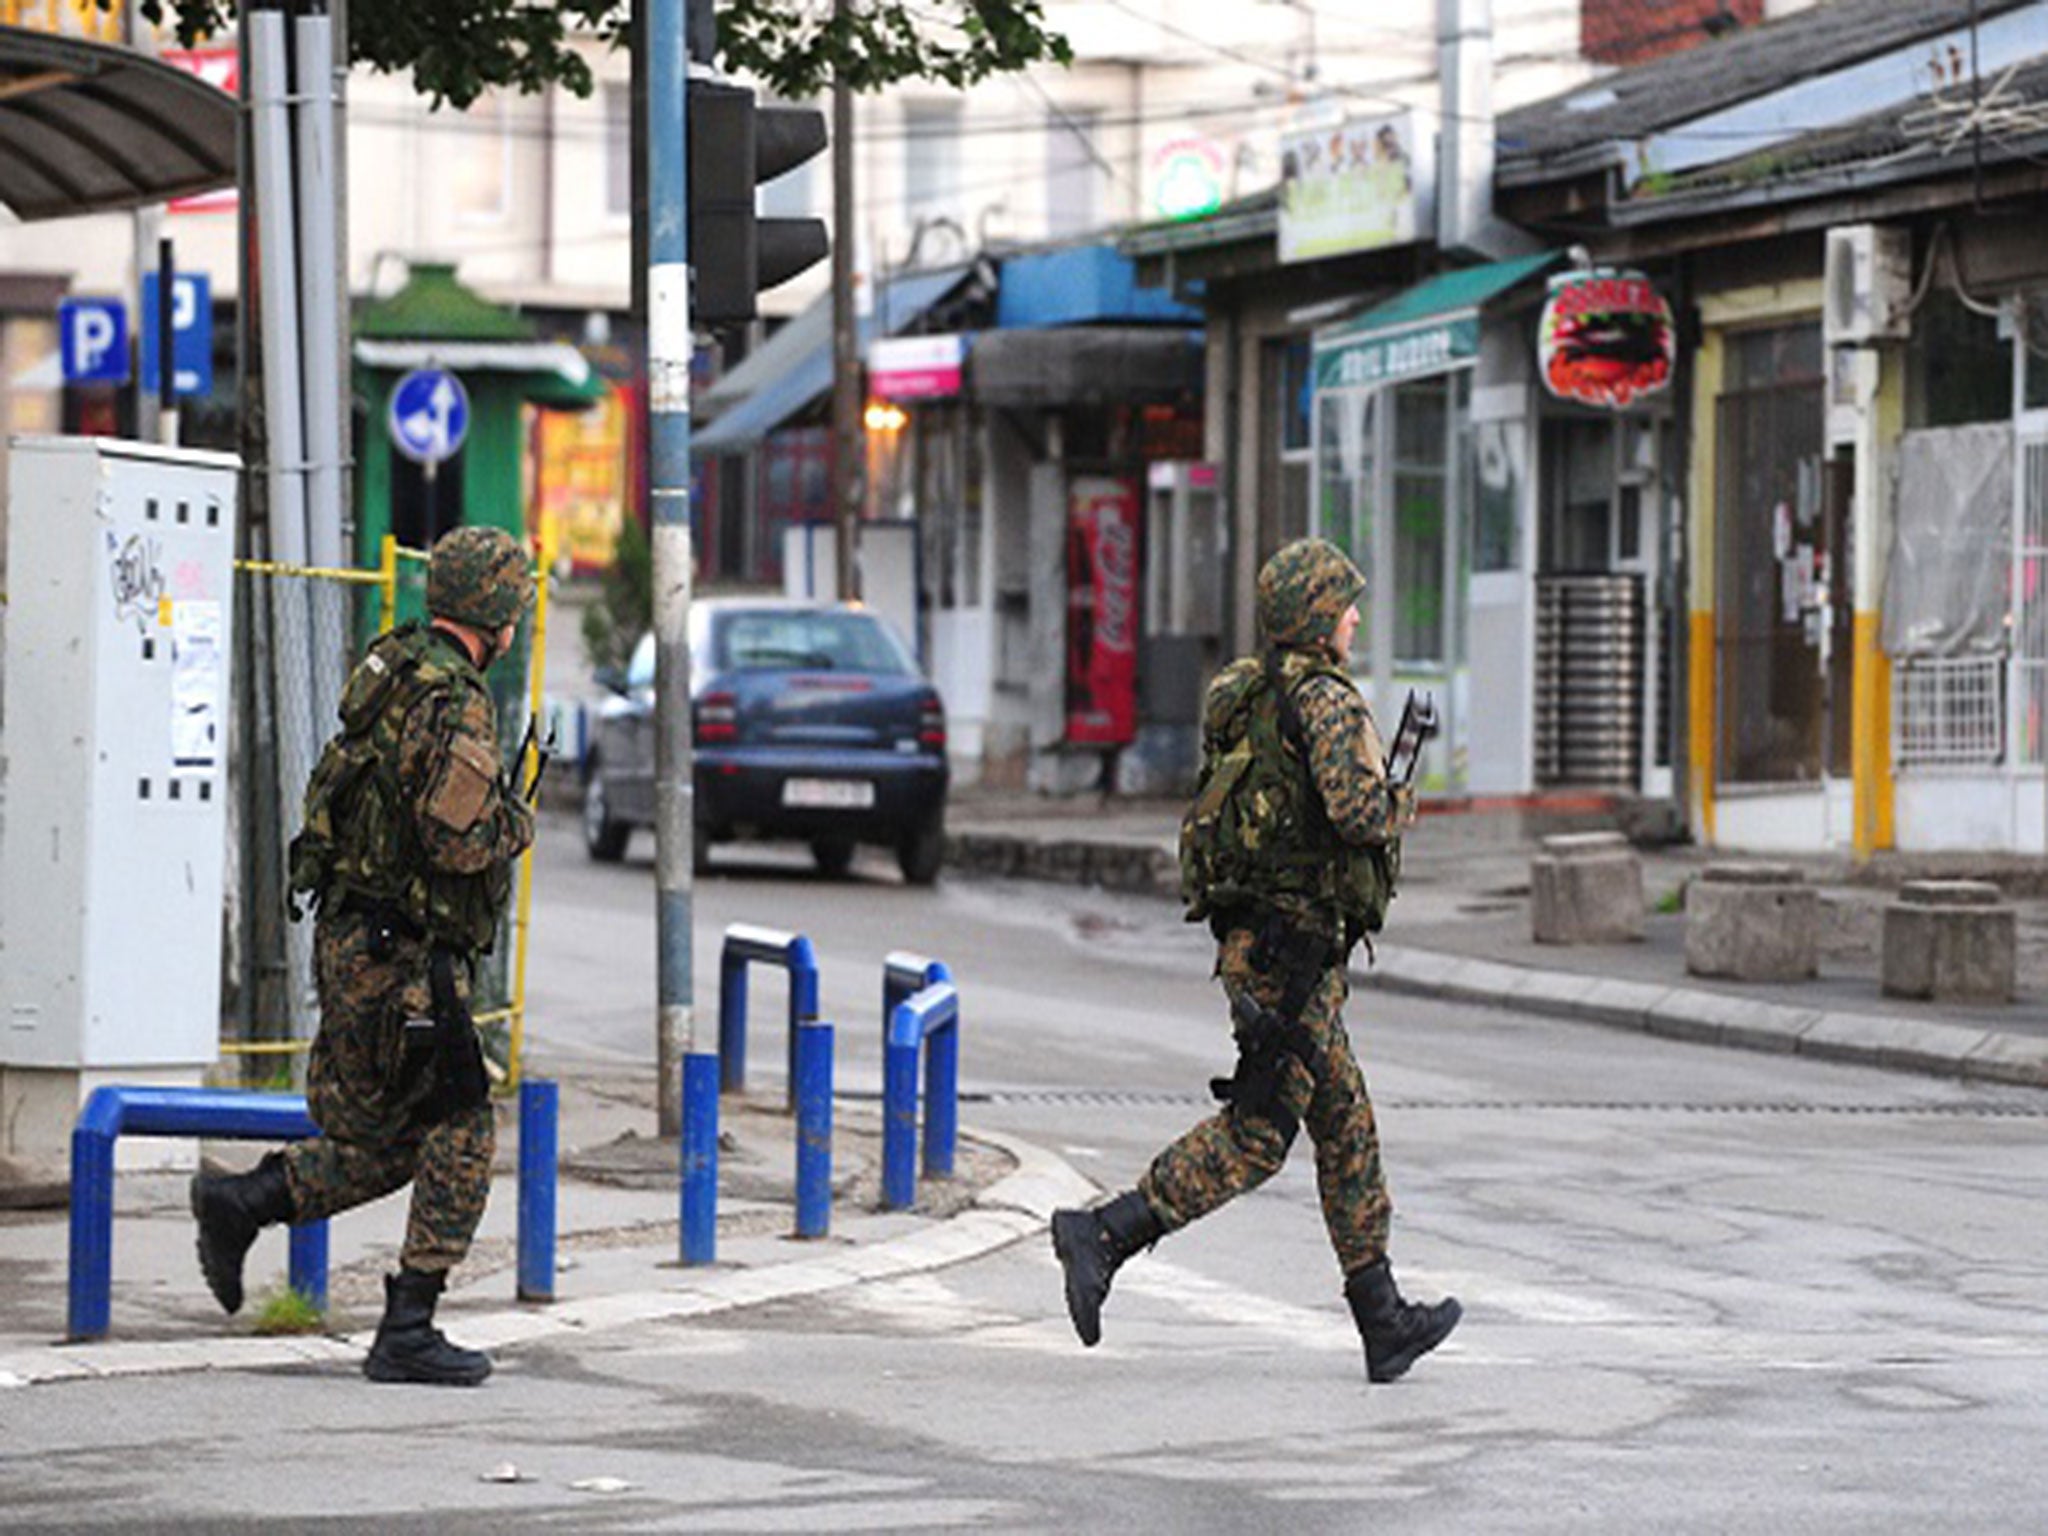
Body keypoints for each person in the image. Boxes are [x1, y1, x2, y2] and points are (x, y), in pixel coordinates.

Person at [1050, 537, 1461, 1384]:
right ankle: (1104, 1233)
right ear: (1315, 615)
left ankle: (1381, 1320)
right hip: (1295, 953)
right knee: (1261, 1134)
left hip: (1260, 940)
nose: (1355, 616)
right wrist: (1399, 798)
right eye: (1345, 603)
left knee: (1345, 1125)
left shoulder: (1250, 694)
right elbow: (1355, 817)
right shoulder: (1329, 703)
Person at [190, 524, 537, 1387]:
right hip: (401, 959)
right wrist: (518, 821)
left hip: (356, 941)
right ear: (494, 612)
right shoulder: (456, 699)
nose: (516, 626)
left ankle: (241, 1205)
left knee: (390, 1137)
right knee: (461, 1130)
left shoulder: (394, 667)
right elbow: (452, 839)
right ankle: (407, 1328)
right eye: (513, 607)